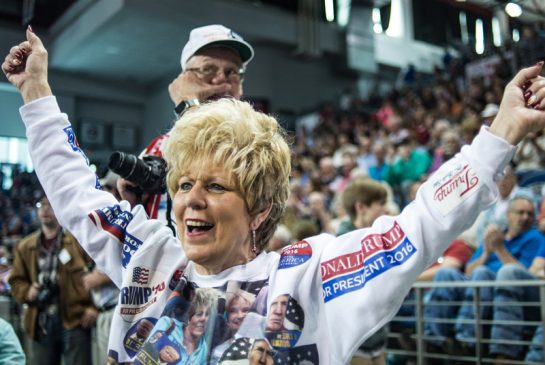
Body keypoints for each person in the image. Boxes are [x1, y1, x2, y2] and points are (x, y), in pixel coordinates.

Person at [5, 29, 545, 364]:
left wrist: (500, 132)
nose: (191, 200)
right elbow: (73, 189)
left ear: (260, 208)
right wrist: (34, 91)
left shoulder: (309, 276)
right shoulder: (147, 256)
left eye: (215, 186)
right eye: (184, 184)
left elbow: (421, 225)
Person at [134, 24, 254, 226]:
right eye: (208, 69)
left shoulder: (254, 142)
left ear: (240, 86)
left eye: (232, 71)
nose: (221, 79)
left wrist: (187, 104)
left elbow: (216, 155)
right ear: (184, 79)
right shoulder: (158, 147)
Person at [424, 195, 545, 353]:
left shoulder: (535, 238)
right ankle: (432, 341)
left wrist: (500, 250)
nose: (525, 217)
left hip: (503, 289)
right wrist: (486, 253)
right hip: (476, 285)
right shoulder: (495, 235)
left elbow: (524, 275)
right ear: (508, 214)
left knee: (482, 274)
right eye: (520, 212)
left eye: (530, 214)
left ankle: (466, 340)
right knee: (446, 274)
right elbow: (468, 271)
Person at [8, 194, 97, 365]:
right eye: (41, 205)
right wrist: (28, 291)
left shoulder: (76, 241)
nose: (45, 209)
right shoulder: (26, 246)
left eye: (50, 205)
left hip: (75, 318)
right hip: (40, 319)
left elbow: (96, 274)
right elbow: (15, 282)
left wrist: (93, 307)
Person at [487, 245, 545, 362]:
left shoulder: (533, 237)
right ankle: (503, 355)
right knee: (503, 271)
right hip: (538, 295)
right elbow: (534, 271)